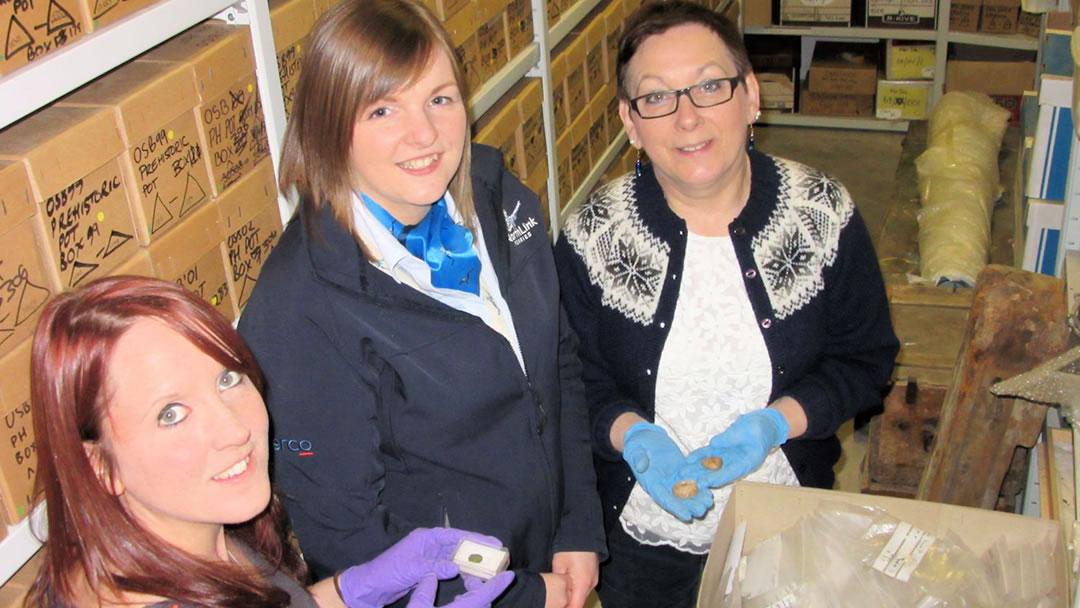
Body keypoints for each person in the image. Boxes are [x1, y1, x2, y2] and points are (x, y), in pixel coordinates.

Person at [235, 1, 605, 607]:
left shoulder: (498, 198)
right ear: (329, 127)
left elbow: (557, 364)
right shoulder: (299, 309)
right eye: (382, 109)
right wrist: (527, 594)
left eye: (440, 98)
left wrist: (578, 526)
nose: (425, 135)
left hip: (550, 555)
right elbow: (351, 544)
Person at [553, 3, 900, 607]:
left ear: (751, 97)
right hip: (641, 528)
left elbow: (865, 359)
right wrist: (633, 436)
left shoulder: (821, 214)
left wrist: (776, 423)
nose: (688, 118)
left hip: (785, 518)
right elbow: (573, 379)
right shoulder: (592, 234)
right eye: (656, 98)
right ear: (630, 123)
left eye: (711, 86)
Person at [24, 275, 514, 608]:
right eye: (171, 414)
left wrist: (349, 590)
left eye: (227, 380)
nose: (235, 431)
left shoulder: (197, 534)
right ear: (99, 467)